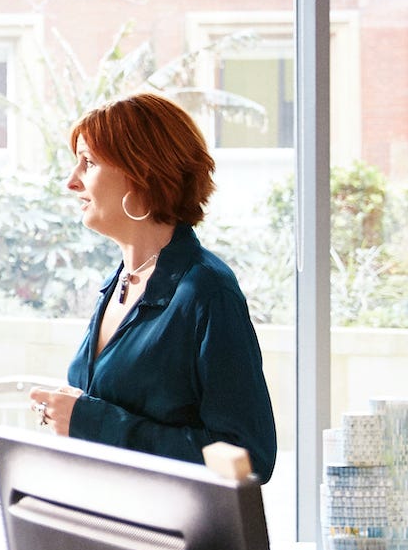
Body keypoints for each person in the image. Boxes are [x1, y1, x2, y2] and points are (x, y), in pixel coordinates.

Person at [27, 91, 278, 481]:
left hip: (173, 539)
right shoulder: (119, 283)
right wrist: (77, 412)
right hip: (111, 528)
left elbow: (247, 458)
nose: (70, 182)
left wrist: (94, 422)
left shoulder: (207, 292)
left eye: (88, 163)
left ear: (140, 173)